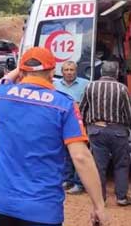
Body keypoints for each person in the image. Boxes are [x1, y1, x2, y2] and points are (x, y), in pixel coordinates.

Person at [0, 47, 107, 226]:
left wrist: (16, 72)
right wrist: (98, 205)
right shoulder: (64, 105)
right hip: (42, 209)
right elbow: (80, 157)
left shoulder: (3, 95)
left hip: (2, 204)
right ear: (52, 72)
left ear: (22, 72)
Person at [80, 60, 131, 206]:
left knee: (98, 165)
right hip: (118, 131)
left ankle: (100, 199)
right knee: (121, 164)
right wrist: (126, 128)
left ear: (101, 72)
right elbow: (127, 112)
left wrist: (85, 126)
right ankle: (121, 198)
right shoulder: (122, 88)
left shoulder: (90, 86)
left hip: (96, 130)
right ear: (116, 73)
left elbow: (83, 108)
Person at [53, 61, 89, 195]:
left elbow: (88, 103)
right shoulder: (55, 85)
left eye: (72, 70)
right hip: (61, 124)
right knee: (65, 154)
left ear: (76, 71)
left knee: (79, 154)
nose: (69, 72)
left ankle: (79, 183)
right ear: (62, 72)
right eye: (66, 70)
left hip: (79, 124)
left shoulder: (85, 84)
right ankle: (67, 179)